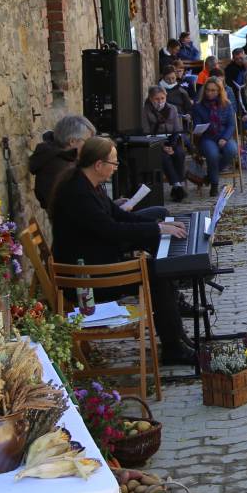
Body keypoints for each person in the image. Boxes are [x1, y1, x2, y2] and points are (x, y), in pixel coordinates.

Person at [49, 137, 193, 364]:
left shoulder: (88, 184)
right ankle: (173, 347)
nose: (116, 168)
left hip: (96, 260)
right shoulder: (78, 193)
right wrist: (156, 228)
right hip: (87, 279)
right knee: (156, 273)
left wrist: (159, 227)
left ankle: (176, 334)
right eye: (113, 163)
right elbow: (112, 230)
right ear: (98, 165)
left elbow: (119, 216)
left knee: (157, 262)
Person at [28, 114, 96, 211]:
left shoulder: (64, 159)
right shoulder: (58, 166)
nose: (89, 146)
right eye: (87, 141)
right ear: (72, 141)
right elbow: (72, 207)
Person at [192, 78, 239, 197]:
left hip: (224, 135)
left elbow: (231, 124)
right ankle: (214, 184)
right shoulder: (199, 106)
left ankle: (210, 175)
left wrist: (225, 138)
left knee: (232, 150)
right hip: (207, 136)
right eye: (208, 90)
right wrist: (198, 130)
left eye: (213, 90)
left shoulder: (226, 104)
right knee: (212, 155)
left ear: (219, 91)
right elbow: (196, 124)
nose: (210, 93)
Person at [142, 86, 188, 202]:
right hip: (155, 141)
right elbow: (146, 131)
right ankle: (177, 185)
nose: (160, 101)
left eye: (162, 98)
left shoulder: (172, 108)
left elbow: (177, 129)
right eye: (157, 99)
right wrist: (163, 147)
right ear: (151, 99)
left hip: (171, 140)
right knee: (164, 158)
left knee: (180, 154)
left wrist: (171, 146)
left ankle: (177, 185)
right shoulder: (146, 110)